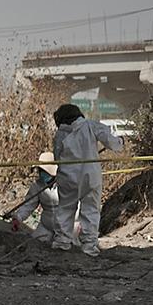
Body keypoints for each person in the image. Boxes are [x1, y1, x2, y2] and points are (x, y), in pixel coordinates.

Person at [49, 103, 124, 256]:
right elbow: (113, 144)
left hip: (68, 177)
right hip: (90, 176)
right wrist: (121, 142)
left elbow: (58, 157)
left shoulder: (61, 134)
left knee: (65, 208)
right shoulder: (91, 126)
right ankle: (89, 246)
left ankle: (62, 242)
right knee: (90, 210)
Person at [8, 155, 66, 244]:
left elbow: (76, 203)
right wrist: (18, 218)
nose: (41, 173)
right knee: (34, 243)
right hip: (46, 225)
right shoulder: (37, 186)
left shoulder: (65, 184)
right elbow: (29, 205)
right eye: (40, 171)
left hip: (66, 225)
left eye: (44, 171)